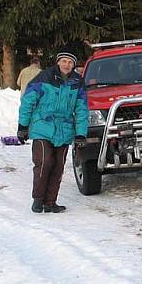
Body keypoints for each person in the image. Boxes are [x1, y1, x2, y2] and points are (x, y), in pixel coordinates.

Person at [18, 49, 88, 213]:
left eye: (70, 62)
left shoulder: (78, 82)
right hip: (43, 126)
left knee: (58, 166)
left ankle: (50, 202)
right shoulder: (44, 77)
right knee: (45, 162)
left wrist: (80, 134)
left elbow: (82, 109)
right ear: (58, 62)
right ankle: (38, 199)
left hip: (64, 129)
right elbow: (28, 100)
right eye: (64, 61)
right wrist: (22, 126)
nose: (67, 65)